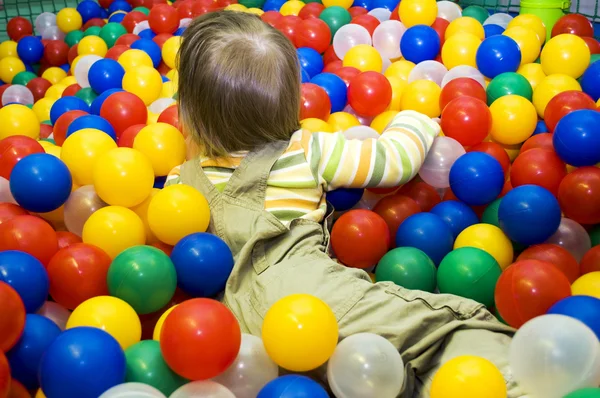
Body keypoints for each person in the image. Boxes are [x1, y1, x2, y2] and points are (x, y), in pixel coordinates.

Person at [166, 11, 522, 398]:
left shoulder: (180, 180)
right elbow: (392, 163)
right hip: (310, 301)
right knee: (441, 337)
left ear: (189, 111)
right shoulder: (304, 150)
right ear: (291, 102)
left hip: (228, 336)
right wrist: (415, 121)